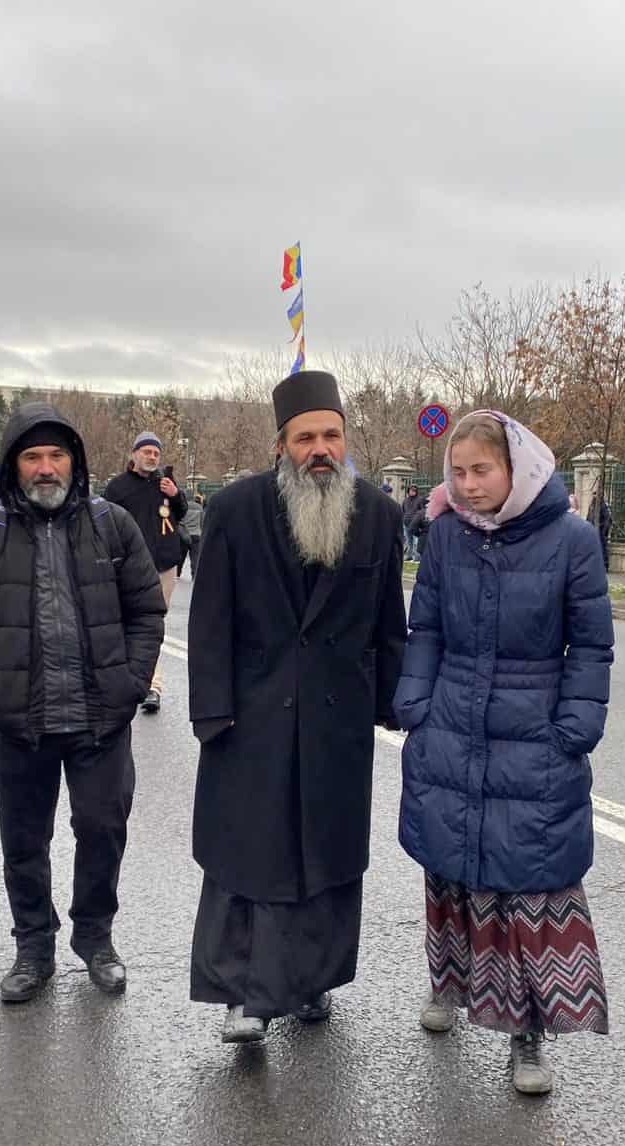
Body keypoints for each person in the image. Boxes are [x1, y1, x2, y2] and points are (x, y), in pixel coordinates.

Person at [395, 411, 613, 1096]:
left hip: (534, 729)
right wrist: (416, 704)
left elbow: (592, 643)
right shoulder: (446, 538)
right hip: (452, 725)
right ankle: (450, 987)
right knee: (452, 871)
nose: (468, 484)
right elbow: (424, 624)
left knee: (527, 887)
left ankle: (528, 1036)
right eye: (457, 473)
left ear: (517, 469)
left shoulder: (572, 539)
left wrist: (575, 724)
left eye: (481, 470)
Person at [187, 370, 406, 1044]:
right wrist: (212, 713)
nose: (321, 448)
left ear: (346, 438)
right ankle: (241, 995)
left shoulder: (377, 514)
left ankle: (313, 984)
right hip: (251, 715)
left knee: (325, 857)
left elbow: (388, 624)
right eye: (306, 436)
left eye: (332, 435)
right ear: (281, 443)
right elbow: (209, 621)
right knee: (247, 855)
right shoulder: (235, 510)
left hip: (337, 721)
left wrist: (397, 707)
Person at [0, 404, 165, 1004]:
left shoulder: (112, 524)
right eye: (32, 457)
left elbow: (147, 611)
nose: (45, 468)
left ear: (75, 462)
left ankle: (96, 938)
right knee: (23, 841)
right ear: (14, 466)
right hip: (22, 724)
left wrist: (130, 683)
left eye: (56, 455)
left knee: (101, 830)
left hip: (101, 721)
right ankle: (33, 947)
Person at [103, 433, 187, 713]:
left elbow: (182, 512)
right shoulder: (117, 488)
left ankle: (152, 686)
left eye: (156, 453)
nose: (152, 457)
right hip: (129, 567)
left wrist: (176, 496)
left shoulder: (165, 485)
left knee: (153, 624)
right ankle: (124, 677)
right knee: (125, 622)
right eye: (147, 452)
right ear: (134, 454)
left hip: (163, 565)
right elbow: (104, 524)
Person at [178, 489, 204, 578]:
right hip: (196, 534)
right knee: (195, 557)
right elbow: (202, 521)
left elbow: (179, 521)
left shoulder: (182, 506)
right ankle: (195, 574)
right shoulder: (199, 507)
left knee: (181, 556)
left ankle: (178, 572)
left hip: (184, 535)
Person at [400, 484, 427, 562]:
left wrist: (419, 520)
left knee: (416, 541)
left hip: (416, 523)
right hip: (406, 522)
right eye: (411, 490)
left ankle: (417, 556)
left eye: (414, 490)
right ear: (408, 491)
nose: (413, 492)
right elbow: (403, 510)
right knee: (409, 541)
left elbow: (422, 510)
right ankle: (409, 555)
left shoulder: (420, 499)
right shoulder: (405, 500)